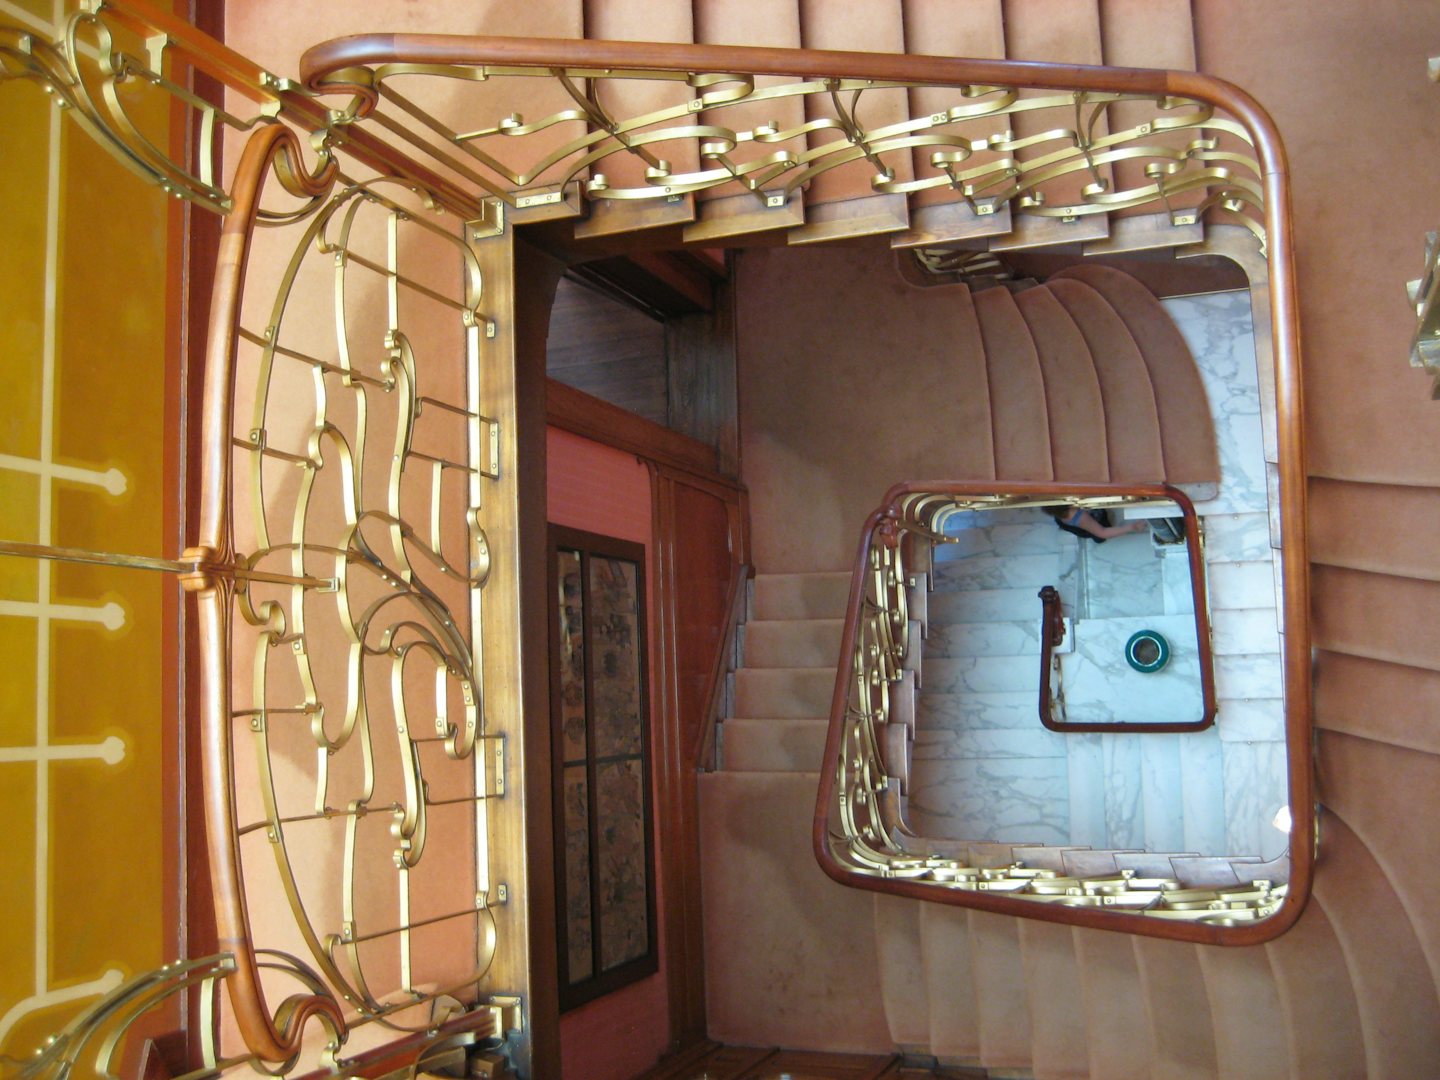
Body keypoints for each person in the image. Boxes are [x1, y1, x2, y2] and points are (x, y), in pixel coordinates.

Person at [1042, 504, 1149, 543]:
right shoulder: (1078, 515)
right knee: (1096, 534)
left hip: (1075, 523)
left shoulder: (1062, 511)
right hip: (1087, 524)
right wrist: (1132, 527)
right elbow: (1102, 532)